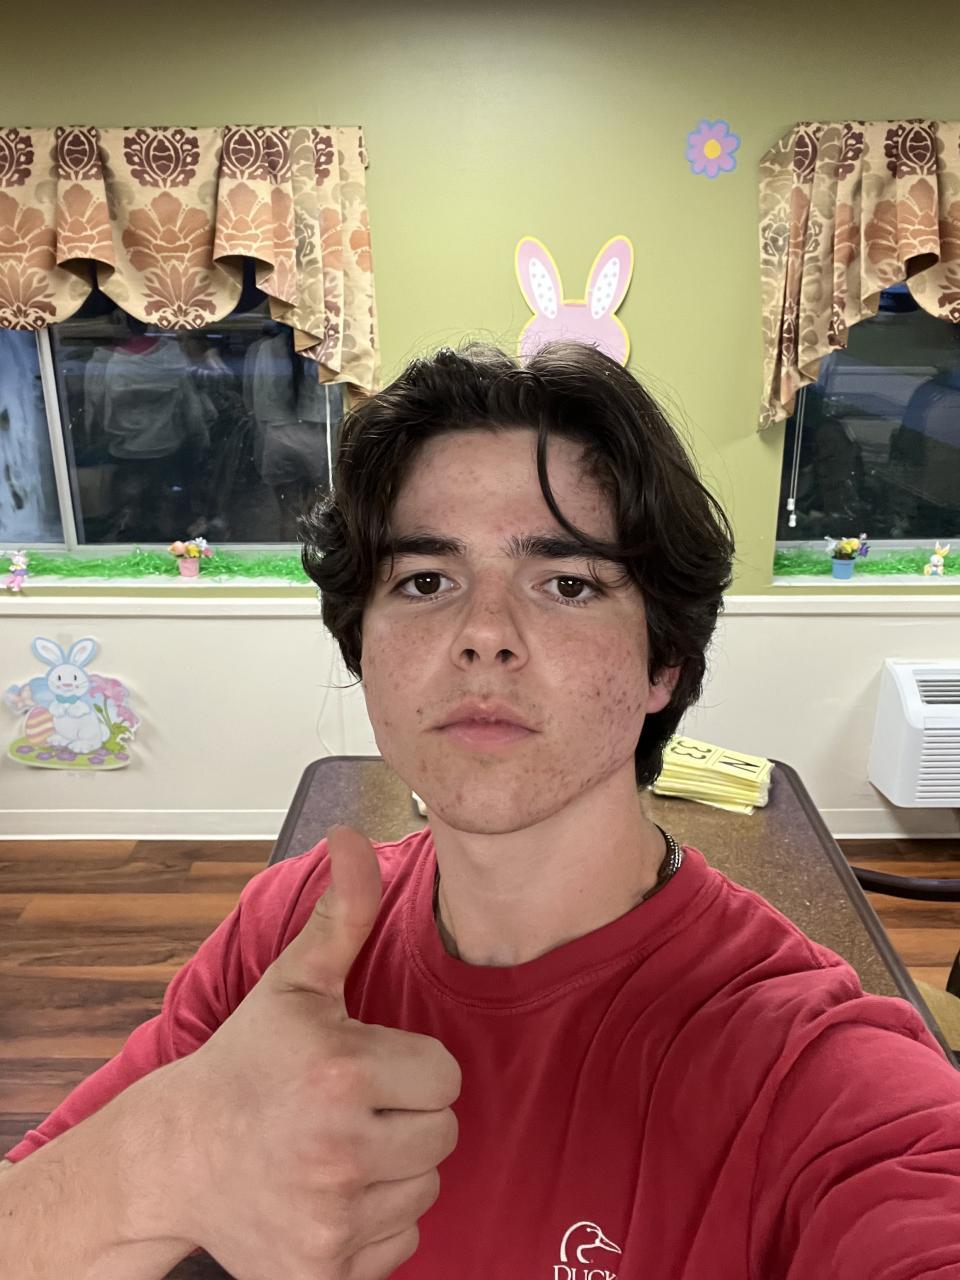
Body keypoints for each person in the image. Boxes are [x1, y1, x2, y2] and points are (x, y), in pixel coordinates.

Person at [2, 343, 959, 1280]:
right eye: (426, 581)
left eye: (568, 584)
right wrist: (165, 1158)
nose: (485, 635)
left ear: (664, 662)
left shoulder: (807, 1070)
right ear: (363, 650)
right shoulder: (287, 938)